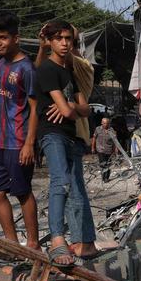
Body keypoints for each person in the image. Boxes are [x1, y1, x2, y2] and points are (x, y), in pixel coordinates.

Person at [36, 20, 98, 266]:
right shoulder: (48, 70)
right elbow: (71, 109)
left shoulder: (72, 70)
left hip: (72, 135)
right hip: (53, 133)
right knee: (61, 182)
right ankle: (58, 239)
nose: (64, 43)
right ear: (49, 41)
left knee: (75, 187)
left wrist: (72, 106)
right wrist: (72, 107)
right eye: (59, 38)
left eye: (68, 39)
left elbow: (83, 108)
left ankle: (83, 242)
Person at [0, 12, 41, 250]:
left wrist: (29, 144)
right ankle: (12, 244)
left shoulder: (27, 69)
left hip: (19, 142)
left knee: (22, 192)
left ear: (16, 38)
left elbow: (36, 109)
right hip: (1, 143)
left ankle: (33, 244)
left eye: (3, 38)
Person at [92, 117, 118, 182]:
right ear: (101, 123)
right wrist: (93, 147)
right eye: (104, 123)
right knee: (103, 164)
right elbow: (94, 138)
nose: (105, 125)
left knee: (108, 164)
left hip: (109, 150)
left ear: (109, 124)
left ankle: (107, 177)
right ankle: (104, 177)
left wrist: (116, 149)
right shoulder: (98, 129)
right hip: (100, 149)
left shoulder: (111, 130)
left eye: (107, 123)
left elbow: (114, 140)